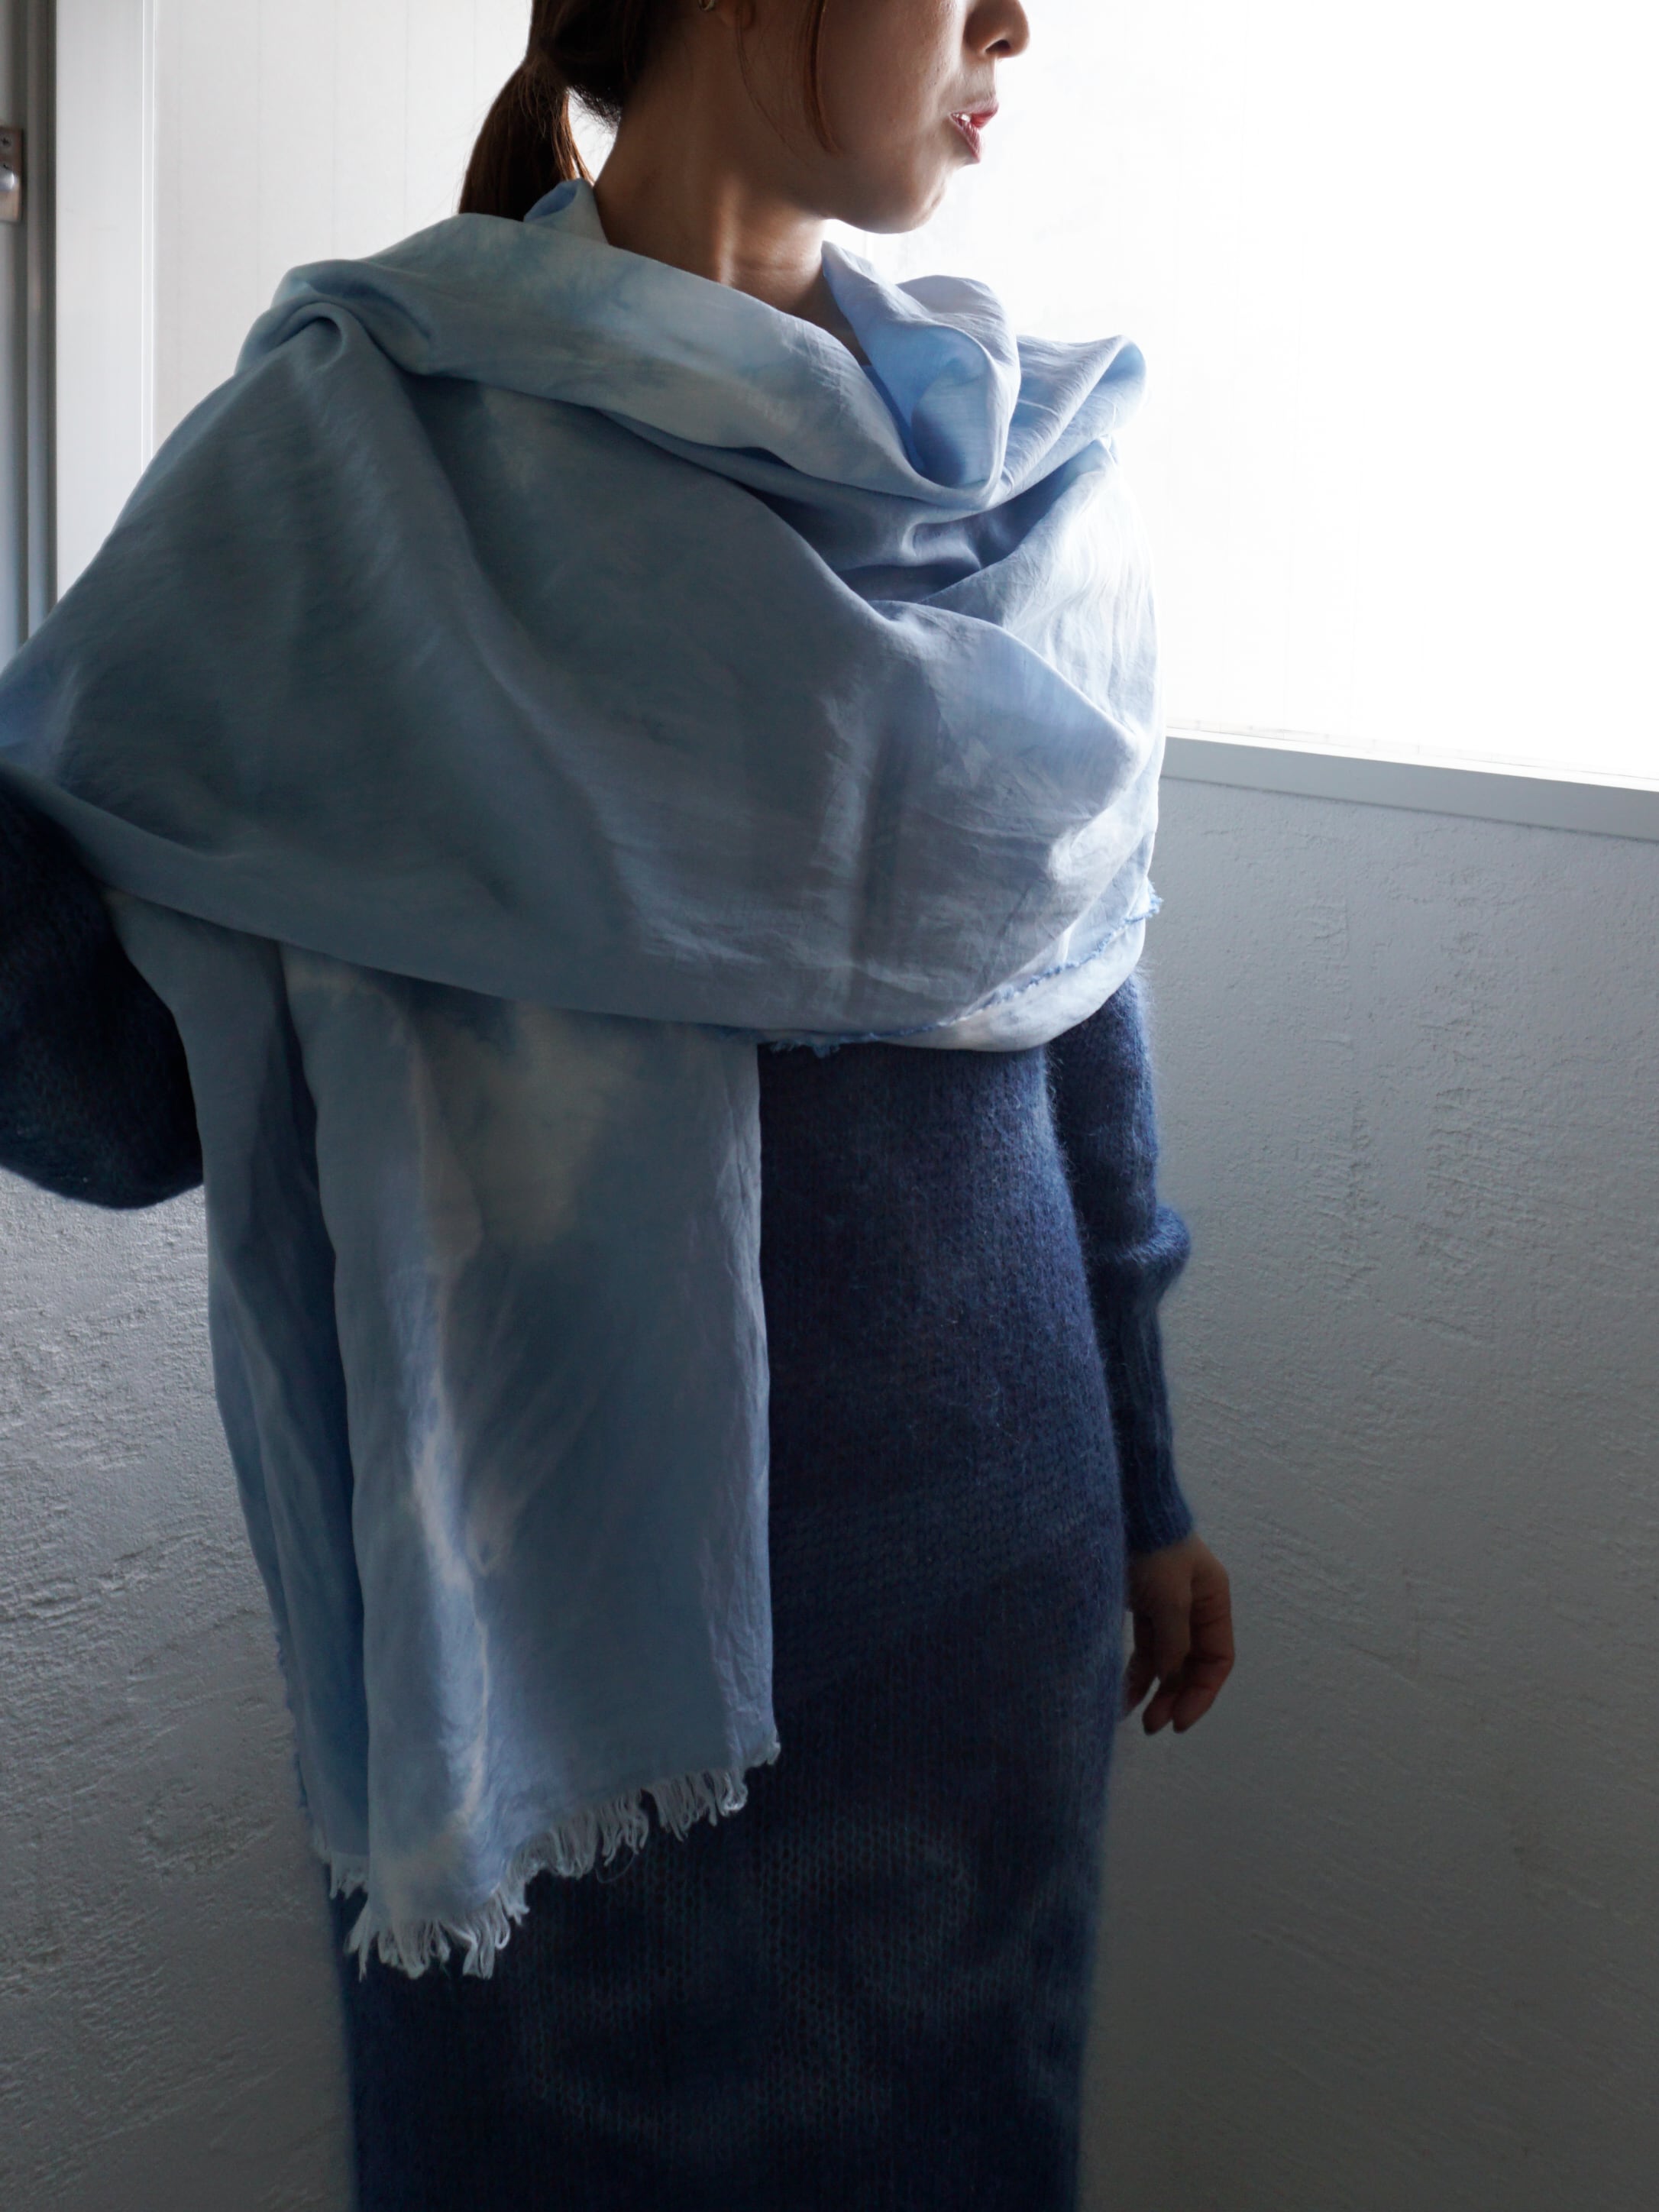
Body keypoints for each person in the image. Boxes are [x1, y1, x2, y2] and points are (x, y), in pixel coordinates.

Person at [0, 0, 1234, 2202]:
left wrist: (1146, 1479)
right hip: (541, 1656)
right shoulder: (356, 458)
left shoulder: (1016, 486)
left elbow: (1072, 1011)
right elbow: (115, 1103)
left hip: (982, 1623)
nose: (1015, 23)